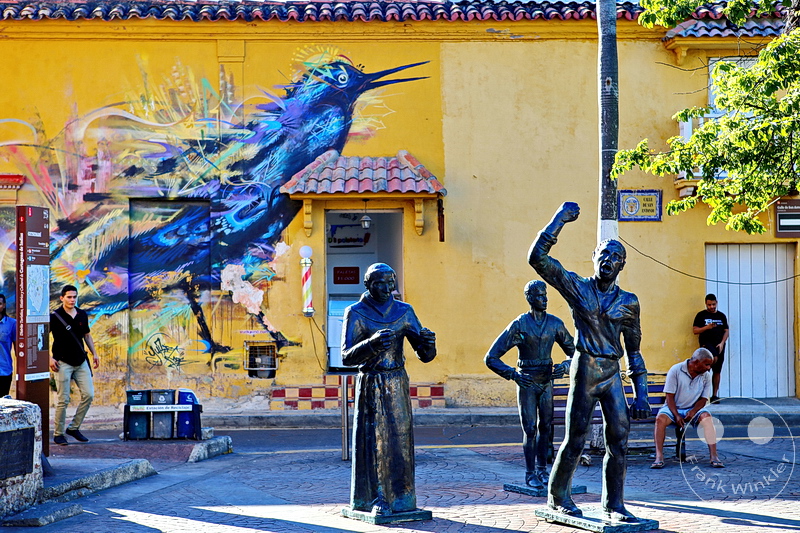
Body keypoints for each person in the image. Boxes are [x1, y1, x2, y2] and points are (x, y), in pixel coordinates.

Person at [528, 202, 651, 523]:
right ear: (594, 258)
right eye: (603, 255)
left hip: (611, 372)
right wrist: (559, 220)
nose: (608, 261)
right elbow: (537, 260)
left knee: (620, 439)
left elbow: (634, 350)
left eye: (615, 258)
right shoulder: (578, 287)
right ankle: (558, 497)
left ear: (622, 265)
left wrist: (641, 393)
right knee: (576, 437)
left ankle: (615, 504)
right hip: (585, 368)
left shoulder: (629, 302)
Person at [341, 263, 436, 516]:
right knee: (374, 440)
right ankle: (376, 497)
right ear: (367, 285)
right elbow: (347, 357)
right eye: (379, 283)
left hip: (397, 380)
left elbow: (425, 355)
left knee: (400, 439)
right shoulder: (356, 312)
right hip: (371, 382)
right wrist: (371, 345)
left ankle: (403, 496)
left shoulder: (404, 311)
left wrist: (429, 344)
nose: (386, 288)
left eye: (390, 283)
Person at [485, 280, 575, 489]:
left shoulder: (555, 324)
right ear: (530, 298)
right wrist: (513, 375)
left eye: (546, 295)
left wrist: (567, 365)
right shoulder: (519, 324)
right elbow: (491, 357)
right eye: (540, 296)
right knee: (530, 429)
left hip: (546, 381)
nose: (545, 299)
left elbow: (575, 351)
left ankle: (543, 470)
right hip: (526, 382)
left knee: (545, 427)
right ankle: (530, 473)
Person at [651, 348, 723, 469]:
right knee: (660, 419)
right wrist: (676, 415)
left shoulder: (706, 376)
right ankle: (659, 457)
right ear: (695, 362)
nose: (708, 368)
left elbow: (703, 399)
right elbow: (669, 397)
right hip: (673, 407)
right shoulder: (676, 370)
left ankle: (714, 456)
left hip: (694, 408)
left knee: (707, 418)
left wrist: (693, 411)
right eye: (706, 364)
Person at [50, 285, 99, 445]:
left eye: (74, 297)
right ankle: (58, 434)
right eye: (69, 297)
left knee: (89, 394)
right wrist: (48, 358)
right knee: (63, 399)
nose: (72, 300)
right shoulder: (55, 316)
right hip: (62, 361)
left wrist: (95, 354)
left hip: (81, 360)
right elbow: (41, 339)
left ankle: (74, 427)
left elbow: (87, 335)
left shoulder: (82, 314)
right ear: (62, 298)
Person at [693, 293, 729, 403]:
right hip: (706, 345)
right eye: (709, 305)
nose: (712, 307)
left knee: (717, 371)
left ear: (716, 303)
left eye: (713, 304)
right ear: (706, 304)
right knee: (711, 362)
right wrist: (707, 327)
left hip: (719, 346)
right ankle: (701, 393)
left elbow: (726, 331)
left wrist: (722, 342)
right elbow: (695, 331)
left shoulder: (721, 316)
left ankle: (714, 395)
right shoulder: (701, 315)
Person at [0, 294, 17, 397]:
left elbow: (18, 349)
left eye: (0, 303)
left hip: (4, 371)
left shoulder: (12, 324)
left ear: (4, 305)